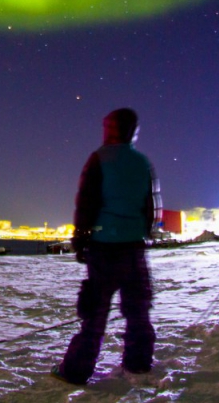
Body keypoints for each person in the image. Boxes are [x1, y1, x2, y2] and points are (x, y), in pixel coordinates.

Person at [53, 107, 161, 385]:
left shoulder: (99, 158)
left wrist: (80, 240)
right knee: (138, 311)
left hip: (103, 248)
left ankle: (76, 371)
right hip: (134, 248)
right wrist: (142, 232)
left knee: (95, 315)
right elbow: (152, 206)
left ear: (111, 128)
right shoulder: (143, 162)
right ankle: (138, 363)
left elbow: (86, 202)